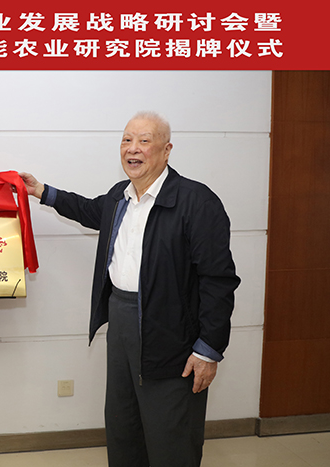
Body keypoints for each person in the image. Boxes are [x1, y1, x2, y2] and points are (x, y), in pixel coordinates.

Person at [20, 111, 240, 467]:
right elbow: (89, 210)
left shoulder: (197, 202)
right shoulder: (119, 197)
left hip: (173, 335)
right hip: (121, 324)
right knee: (124, 426)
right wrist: (43, 192)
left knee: (170, 435)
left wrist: (208, 350)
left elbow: (218, 280)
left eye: (144, 140)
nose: (132, 148)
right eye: (126, 140)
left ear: (166, 150)